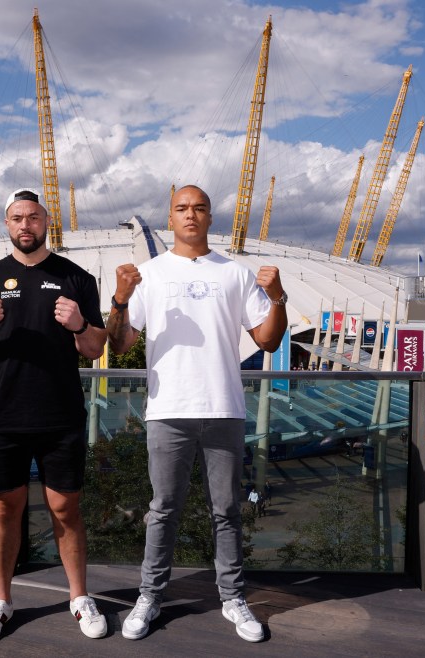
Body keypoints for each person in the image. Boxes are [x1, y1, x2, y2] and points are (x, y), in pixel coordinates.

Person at [107, 185, 287, 643]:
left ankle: (233, 598)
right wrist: (121, 299)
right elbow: (121, 343)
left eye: (199, 208)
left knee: (226, 509)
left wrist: (279, 298)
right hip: (167, 409)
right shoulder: (150, 274)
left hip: (223, 407)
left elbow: (266, 340)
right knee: (163, 509)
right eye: (182, 209)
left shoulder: (236, 274)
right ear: (171, 217)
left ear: (210, 217)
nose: (191, 216)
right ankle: (149, 596)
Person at [0, 188, 109, 644]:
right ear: (8, 224)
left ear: (46, 223)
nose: (27, 225)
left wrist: (79, 324)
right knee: (5, 508)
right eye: (18, 218)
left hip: (60, 415)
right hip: (2, 415)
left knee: (66, 508)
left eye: (35, 218)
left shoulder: (76, 278)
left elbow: (96, 347)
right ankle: (0, 600)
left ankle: (79, 597)